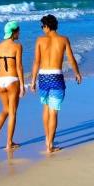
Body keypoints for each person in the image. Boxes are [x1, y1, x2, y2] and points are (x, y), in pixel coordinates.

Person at [29, 14, 81, 153]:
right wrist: (77, 73)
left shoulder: (40, 40)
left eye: (42, 26)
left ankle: (47, 139)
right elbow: (71, 59)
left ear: (47, 26)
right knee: (54, 112)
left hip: (43, 77)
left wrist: (33, 80)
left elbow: (36, 61)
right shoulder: (63, 39)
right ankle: (50, 145)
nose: (42, 29)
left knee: (46, 108)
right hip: (56, 76)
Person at [0, 20, 25, 150]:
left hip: (0, 81)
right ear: (13, 32)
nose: (19, 33)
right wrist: (22, 85)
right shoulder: (17, 46)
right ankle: (9, 142)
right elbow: (19, 67)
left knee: (5, 110)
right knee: (13, 113)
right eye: (18, 31)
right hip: (12, 80)